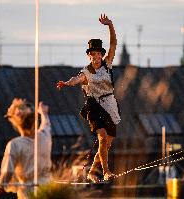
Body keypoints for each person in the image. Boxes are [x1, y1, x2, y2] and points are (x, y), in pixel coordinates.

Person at [56, 14, 120, 183]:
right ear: (89, 56)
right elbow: (76, 79)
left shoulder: (107, 64)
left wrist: (110, 25)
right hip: (94, 106)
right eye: (93, 55)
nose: (96, 57)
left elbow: (113, 44)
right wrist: (67, 84)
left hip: (110, 104)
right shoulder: (86, 72)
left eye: (98, 54)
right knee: (102, 138)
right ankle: (106, 172)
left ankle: (92, 171)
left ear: (101, 55)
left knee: (107, 144)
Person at [0, 98, 52, 199]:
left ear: (16, 123)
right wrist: (43, 113)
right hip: (49, 190)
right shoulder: (45, 136)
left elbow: (7, 173)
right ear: (34, 119)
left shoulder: (15, 145)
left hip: (29, 193)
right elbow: (46, 125)